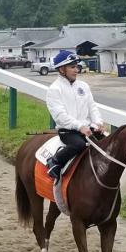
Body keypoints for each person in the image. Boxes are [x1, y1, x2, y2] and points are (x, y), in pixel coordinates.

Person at [45, 50, 104, 181]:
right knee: (79, 145)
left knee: (108, 143)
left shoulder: (83, 86)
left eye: (76, 66)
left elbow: (92, 107)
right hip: (69, 132)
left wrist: (98, 122)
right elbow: (60, 116)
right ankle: (54, 162)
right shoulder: (54, 89)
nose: (76, 70)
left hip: (87, 129)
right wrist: (80, 126)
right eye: (72, 67)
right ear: (61, 69)